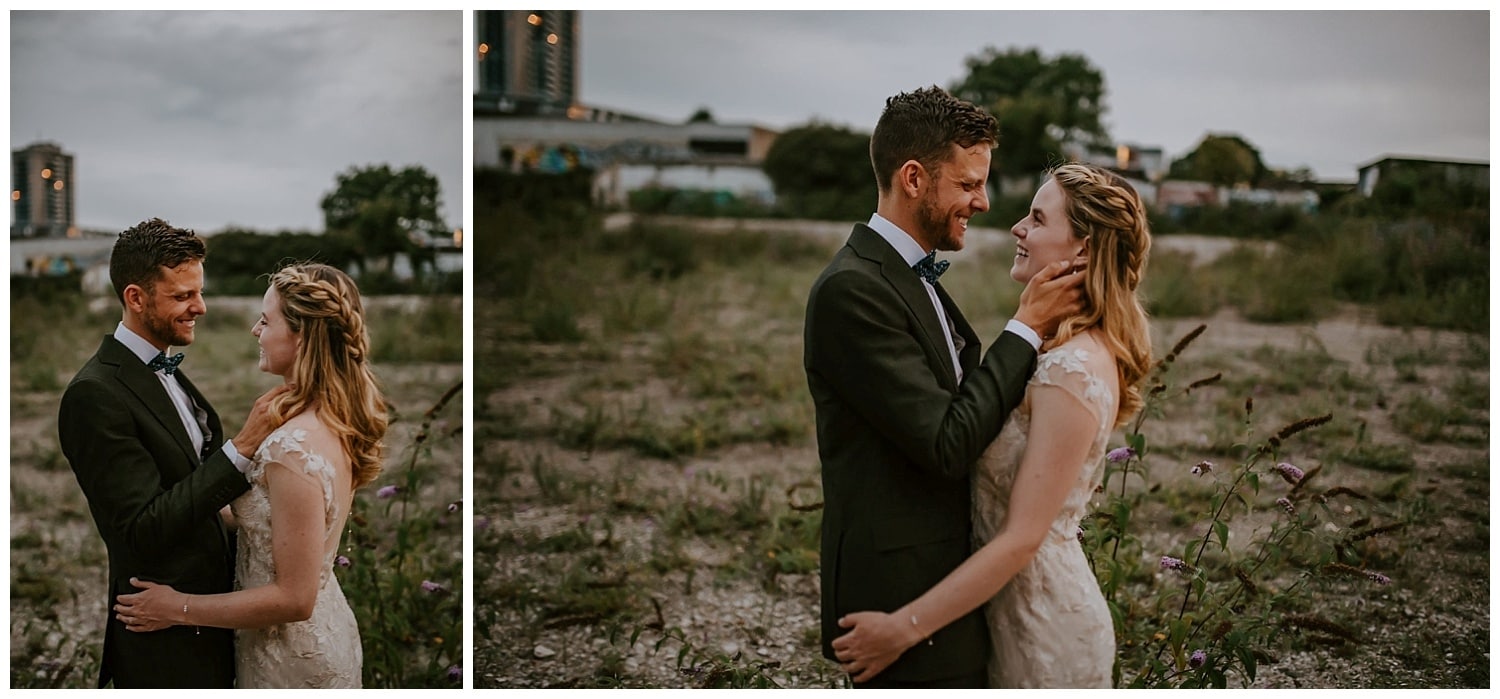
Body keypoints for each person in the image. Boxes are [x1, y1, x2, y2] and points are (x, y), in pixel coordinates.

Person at [803, 86, 1086, 689]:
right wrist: (1026, 328)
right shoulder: (852, 290)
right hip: (901, 588)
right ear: (912, 178)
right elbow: (945, 440)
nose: (983, 203)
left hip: (951, 579)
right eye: (967, 184)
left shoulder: (910, 275)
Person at [831, 162, 1154, 688]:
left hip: (1043, 626)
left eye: (1037, 219)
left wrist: (902, 629)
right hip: (1003, 614)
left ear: (1085, 250)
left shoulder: (1073, 369)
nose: (1017, 229)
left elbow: (1023, 537)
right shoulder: (1056, 349)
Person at [113, 262, 388, 689]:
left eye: (266, 320)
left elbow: (294, 599)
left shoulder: (292, 447)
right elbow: (274, 521)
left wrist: (177, 607)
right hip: (302, 637)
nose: (255, 331)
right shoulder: (329, 418)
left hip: (291, 655)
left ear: (302, 336)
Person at [59, 218, 290, 688]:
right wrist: (243, 447)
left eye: (199, 292)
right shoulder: (95, 394)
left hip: (214, 616)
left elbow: (191, 483)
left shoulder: (162, 369)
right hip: (163, 639)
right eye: (182, 296)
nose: (199, 307)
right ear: (136, 298)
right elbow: (142, 529)